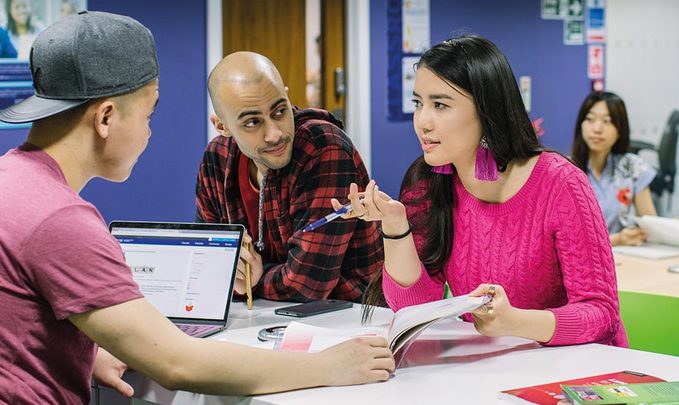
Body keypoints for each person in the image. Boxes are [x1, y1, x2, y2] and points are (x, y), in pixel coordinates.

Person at [0, 11, 394, 404]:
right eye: (149, 114)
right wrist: (328, 367)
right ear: (105, 118)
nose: (150, 131)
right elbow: (177, 363)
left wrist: (87, 355)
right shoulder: (62, 222)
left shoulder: (11, 181)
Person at [335, 35, 627, 347]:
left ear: (487, 112)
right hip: (491, 369)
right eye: (419, 104)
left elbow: (601, 313)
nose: (423, 121)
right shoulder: (427, 181)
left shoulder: (561, 183)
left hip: (582, 370)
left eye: (441, 105)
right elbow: (412, 309)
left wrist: (515, 322)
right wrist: (395, 227)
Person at [196, 51, 382, 302]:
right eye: (252, 122)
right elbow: (208, 262)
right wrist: (234, 276)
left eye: (279, 111)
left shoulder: (323, 148)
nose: (274, 134)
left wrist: (254, 278)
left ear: (286, 95)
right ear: (222, 126)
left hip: (347, 316)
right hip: (258, 317)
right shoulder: (216, 158)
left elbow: (307, 286)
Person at [570, 92, 658, 246]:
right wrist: (616, 240)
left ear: (619, 130)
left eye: (607, 121)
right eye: (590, 119)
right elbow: (565, 242)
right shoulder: (566, 171)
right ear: (581, 125)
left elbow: (652, 228)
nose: (597, 128)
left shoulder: (633, 167)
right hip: (583, 265)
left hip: (628, 260)